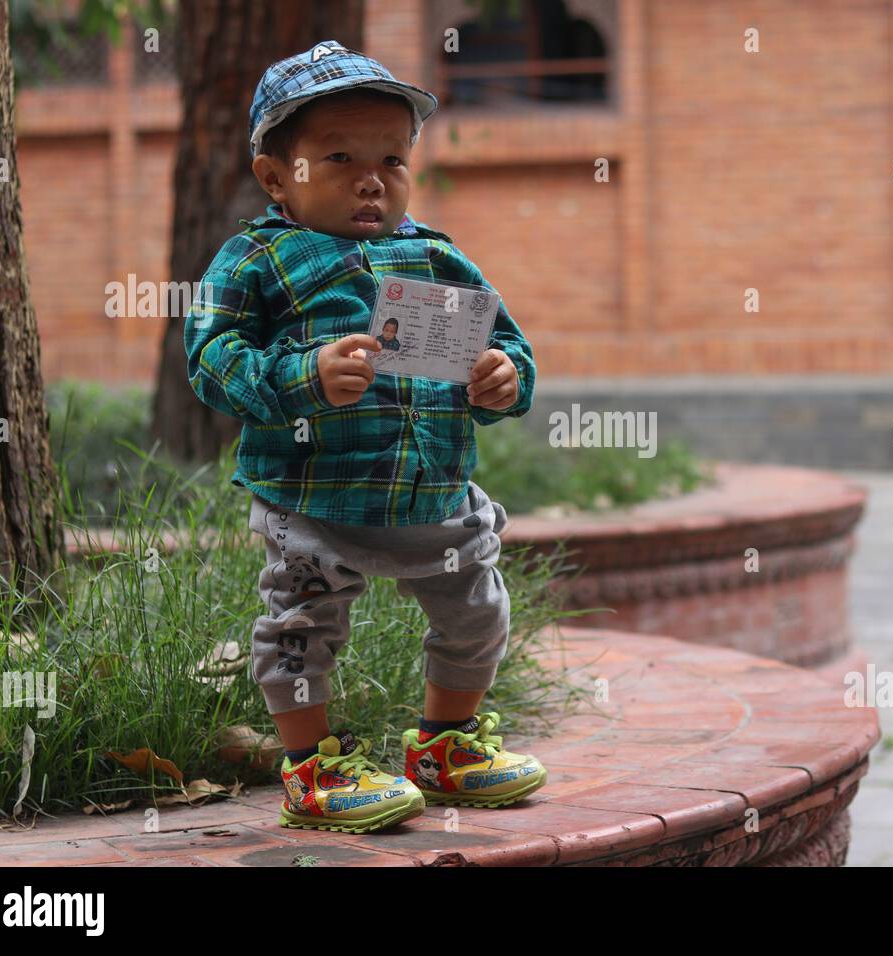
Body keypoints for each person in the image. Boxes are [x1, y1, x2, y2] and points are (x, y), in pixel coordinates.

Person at [184, 40, 545, 834]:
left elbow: (507, 345)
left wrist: (503, 380)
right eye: (338, 156)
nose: (372, 177)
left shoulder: (437, 256)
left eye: (392, 157)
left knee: (476, 611)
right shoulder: (258, 259)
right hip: (314, 500)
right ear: (276, 175)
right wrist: (303, 374)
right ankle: (311, 769)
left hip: (433, 495)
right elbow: (212, 361)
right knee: (301, 629)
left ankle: (445, 745)